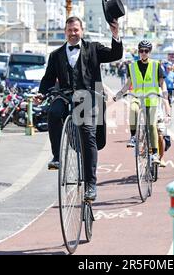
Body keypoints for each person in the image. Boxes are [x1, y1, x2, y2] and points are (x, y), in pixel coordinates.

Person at [39, 16, 123, 201]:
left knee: (88, 135)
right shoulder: (56, 55)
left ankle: (91, 185)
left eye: (76, 30)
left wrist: (115, 34)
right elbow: (47, 79)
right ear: (65, 32)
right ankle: (57, 157)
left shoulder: (93, 48)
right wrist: (41, 93)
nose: (73, 33)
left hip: (87, 96)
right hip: (65, 94)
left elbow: (115, 55)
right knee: (53, 113)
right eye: (70, 30)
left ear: (82, 31)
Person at [113, 40, 169, 165]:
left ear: (150, 52)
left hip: (152, 98)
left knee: (151, 125)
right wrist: (119, 94)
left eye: (146, 51)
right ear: (138, 52)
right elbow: (128, 84)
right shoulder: (132, 66)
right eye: (141, 51)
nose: (143, 53)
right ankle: (133, 137)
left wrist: (164, 92)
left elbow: (162, 82)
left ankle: (155, 153)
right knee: (133, 109)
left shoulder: (156, 65)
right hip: (137, 97)